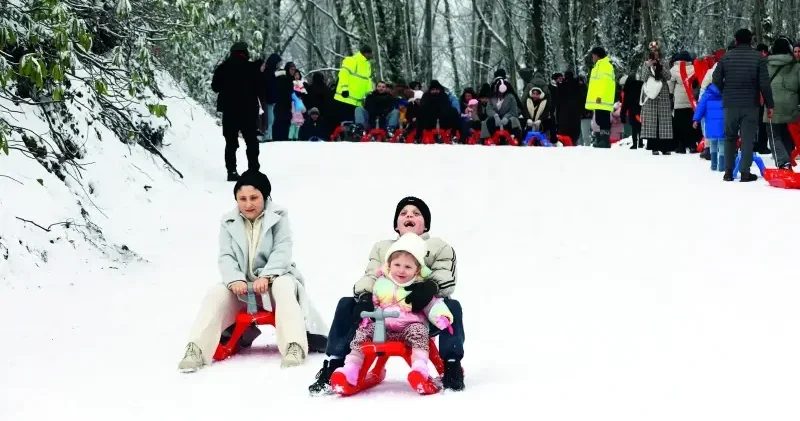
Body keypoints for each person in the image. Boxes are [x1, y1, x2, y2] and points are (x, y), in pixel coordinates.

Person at [308, 196, 464, 394]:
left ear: (425, 226)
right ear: (396, 225)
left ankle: (451, 365)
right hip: (382, 314)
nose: (409, 215)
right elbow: (372, 273)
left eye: (416, 214)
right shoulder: (383, 248)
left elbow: (446, 275)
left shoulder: (438, 246)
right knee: (346, 303)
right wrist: (365, 297)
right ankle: (335, 364)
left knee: (453, 307)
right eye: (403, 213)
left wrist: (429, 288)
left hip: (421, 314)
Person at [177, 170, 328, 372]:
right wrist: (235, 280)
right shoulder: (228, 221)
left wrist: (267, 276)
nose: (248, 204)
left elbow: (282, 250)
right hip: (243, 289)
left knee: (284, 285)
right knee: (216, 292)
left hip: (274, 284)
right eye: (243, 199)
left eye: (254, 198)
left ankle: (294, 347)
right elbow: (226, 256)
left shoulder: (279, 217)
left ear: (265, 197)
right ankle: (195, 349)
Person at [332, 232, 454, 386]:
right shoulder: (381, 283)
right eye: (397, 265)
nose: (401, 270)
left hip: (408, 328)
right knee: (362, 335)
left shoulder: (419, 286)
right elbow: (374, 303)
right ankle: (351, 369)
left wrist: (441, 316)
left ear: (417, 270)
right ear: (389, 265)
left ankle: (419, 368)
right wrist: (366, 315)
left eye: (408, 267)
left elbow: (432, 304)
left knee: (420, 332)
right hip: (382, 328)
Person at [712, 28, 775, 182]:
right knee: (747, 139)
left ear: (736, 40)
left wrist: (724, 91)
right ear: (751, 40)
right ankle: (745, 172)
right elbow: (764, 84)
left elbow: (716, 79)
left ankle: (728, 171)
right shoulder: (758, 58)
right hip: (750, 104)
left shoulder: (725, 58)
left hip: (730, 104)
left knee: (729, 137)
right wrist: (769, 104)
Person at [211, 42, 265, 181]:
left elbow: (215, 87)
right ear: (245, 52)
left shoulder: (223, 68)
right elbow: (260, 88)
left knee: (230, 142)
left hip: (229, 111)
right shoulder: (252, 68)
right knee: (251, 141)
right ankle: (253, 170)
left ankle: (232, 171)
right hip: (248, 110)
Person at [762, 36, 800, 170]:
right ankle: (788, 159)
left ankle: (784, 163)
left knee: (774, 136)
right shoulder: (797, 66)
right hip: (791, 106)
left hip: (772, 107)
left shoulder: (766, 65)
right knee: (787, 134)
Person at [333, 45, 374, 124]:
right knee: (343, 122)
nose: (371, 56)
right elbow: (343, 75)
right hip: (345, 98)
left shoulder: (368, 65)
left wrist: (369, 92)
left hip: (357, 100)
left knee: (353, 123)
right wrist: (344, 88)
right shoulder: (351, 60)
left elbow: (367, 79)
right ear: (365, 53)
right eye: (370, 54)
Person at [585, 46, 616, 148]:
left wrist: (599, 96)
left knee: (603, 120)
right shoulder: (598, 66)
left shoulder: (605, 66)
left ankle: (605, 141)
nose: (592, 57)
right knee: (600, 120)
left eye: (593, 55)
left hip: (602, 99)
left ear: (597, 55)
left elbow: (605, 83)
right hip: (599, 100)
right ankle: (603, 140)